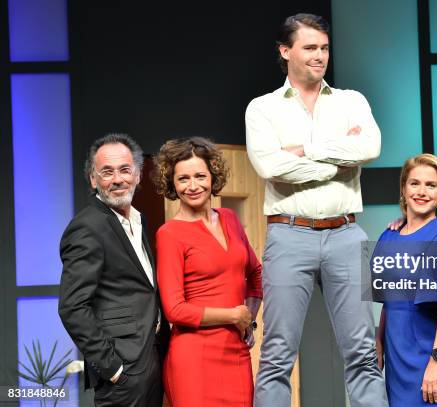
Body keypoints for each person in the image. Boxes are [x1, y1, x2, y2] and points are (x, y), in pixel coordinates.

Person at [245, 12, 388, 407]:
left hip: (345, 233)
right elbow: (271, 168)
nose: (319, 56)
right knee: (277, 353)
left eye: (324, 48)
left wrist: (306, 151)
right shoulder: (262, 109)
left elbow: (370, 149)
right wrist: (341, 158)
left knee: (361, 351)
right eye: (310, 48)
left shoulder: (351, 101)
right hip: (289, 233)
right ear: (285, 50)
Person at [59, 134, 169, 407]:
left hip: (151, 359)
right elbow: (72, 307)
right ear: (93, 180)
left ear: (138, 174)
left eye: (124, 169)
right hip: (123, 371)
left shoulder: (137, 219)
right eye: (106, 172)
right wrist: (113, 369)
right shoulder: (87, 227)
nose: (117, 179)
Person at [153, 137, 262, 406]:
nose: (192, 186)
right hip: (193, 358)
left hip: (236, 354)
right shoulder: (170, 234)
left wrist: (249, 319)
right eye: (183, 179)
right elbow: (175, 310)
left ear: (213, 177)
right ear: (172, 183)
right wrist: (234, 315)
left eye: (200, 176)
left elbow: (256, 274)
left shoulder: (229, 218)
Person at [374, 154, 437, 406]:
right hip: (397, 365)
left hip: (431, 362)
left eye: (431, 185)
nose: (422, 192)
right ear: (404, 189)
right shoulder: (387, 238)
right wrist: (378, 344)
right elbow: (388, 302)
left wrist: (436, 362)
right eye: (414, 183)